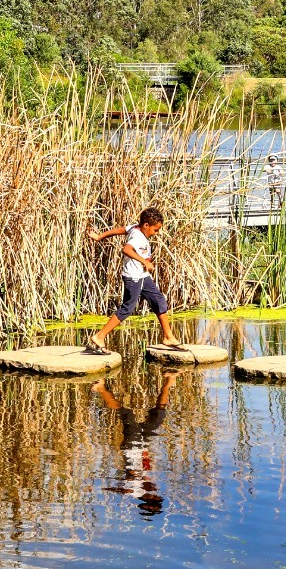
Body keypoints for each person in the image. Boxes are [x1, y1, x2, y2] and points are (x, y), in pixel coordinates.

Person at [86, 209, 186, 354]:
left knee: (159, 301)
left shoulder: (135, 227)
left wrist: (100, 236)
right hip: (133, 277)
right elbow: (126, 249)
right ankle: (99, 337)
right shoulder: (138, 237)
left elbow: (120, 230)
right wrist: (143, 262)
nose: (156, 233)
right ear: (146, 225)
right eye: (155, 230)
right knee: (127, 308)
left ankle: (168, 337)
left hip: (142, 277)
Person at [96, 370, 177, 517]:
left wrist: (110, 488)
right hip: (143, 445)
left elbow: (125, 486)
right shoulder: (149, 488)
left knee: (126, 413)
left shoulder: (135, 491)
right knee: (159, 414)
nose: (156, 495)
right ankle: (169, 381)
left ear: (147, 500)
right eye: (157, 499)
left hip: (132, 446)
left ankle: (101, 388)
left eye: (154, 499)